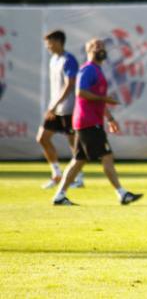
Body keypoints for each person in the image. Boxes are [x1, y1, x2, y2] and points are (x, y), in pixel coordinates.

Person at [52, 38, 142, 206]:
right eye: (96, 47)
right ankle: (122, 194)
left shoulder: (97, 70)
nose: (100, 49)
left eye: (102, 47)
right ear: (88, 51)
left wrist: (110, 117)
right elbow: (80, 92)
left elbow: (98, 101)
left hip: (87, 121)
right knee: (106, 157)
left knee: (78, 161)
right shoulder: (88, 70)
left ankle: (59, 195)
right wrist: (104, 99)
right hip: (89, 122)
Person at [37, 30, 85, 189]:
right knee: (42, 138)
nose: (47, 46)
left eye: (49, 42)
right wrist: (53, 106)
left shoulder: (68, 60)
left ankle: (78, 178)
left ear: (58, 41)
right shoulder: (53, 59)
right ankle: (57, 173)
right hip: (55, 108)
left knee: (73, 144)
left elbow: (69, 84)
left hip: (69, 108)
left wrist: (55, 104)